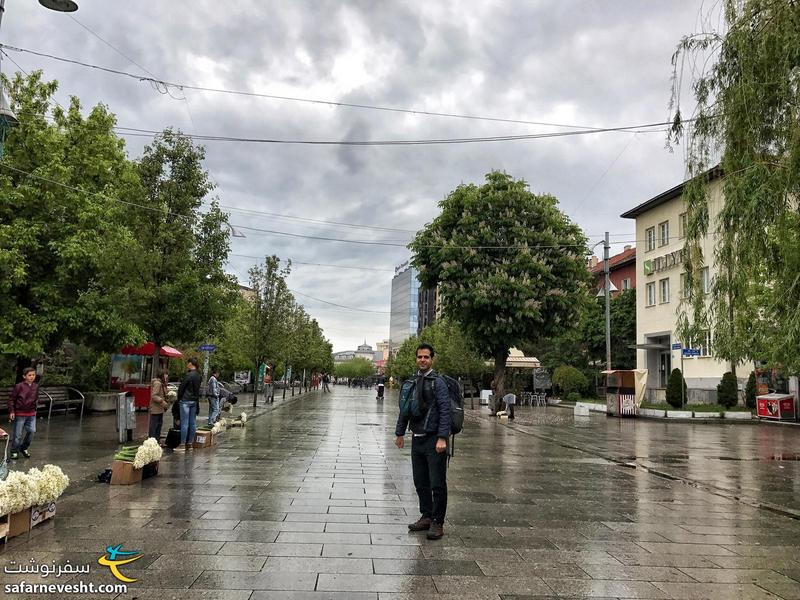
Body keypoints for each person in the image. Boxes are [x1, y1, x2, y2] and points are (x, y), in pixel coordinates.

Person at [394, 343, 451, 540]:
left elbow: (445, 410)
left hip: (435, 439)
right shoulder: (412, 381)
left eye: (426, 357)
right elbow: (405, 409)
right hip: (417, 438)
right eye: (420, 357)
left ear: (432, 359)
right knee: (420, 482)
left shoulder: (439, 382)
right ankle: (426, 515)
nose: (423, 360)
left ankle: (437, 522)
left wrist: (443, 437)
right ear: (416, 359)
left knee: (437, 483)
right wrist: (399, 433)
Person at [7, 367, 39, 459]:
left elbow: (36, 398)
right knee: (18, 435)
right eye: (29, 375)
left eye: (33, 375)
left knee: (32, 431)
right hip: (20, 413)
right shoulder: (19, 386)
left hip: (31, 413)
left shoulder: (36, 386)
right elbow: (11, 400)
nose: (32, 377)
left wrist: (35, 409)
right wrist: (12, 411)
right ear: (24, 376)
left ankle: (23, 448)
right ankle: (14, 451)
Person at [177, 357, 201, 451]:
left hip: (185, 401)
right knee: (193, 423)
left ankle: (182, 444)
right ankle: (190, 443)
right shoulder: (198, 376)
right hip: (194, 401)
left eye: (188, 363)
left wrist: (179, 399)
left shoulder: (188, 375)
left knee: (184, 423)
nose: (187, 364)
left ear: (191, 364)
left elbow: (181, 388)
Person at [149, 370, 170, 441]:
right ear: (162, 375)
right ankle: (152, 441)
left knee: (158, 425)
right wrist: (163, 402)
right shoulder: (158, 383)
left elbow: (162, 393)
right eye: (165, 374)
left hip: (160, 408)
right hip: (156, 408)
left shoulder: (162, 383)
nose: (166, 376)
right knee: (154, 426)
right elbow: (154, 396)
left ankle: (156, 441)